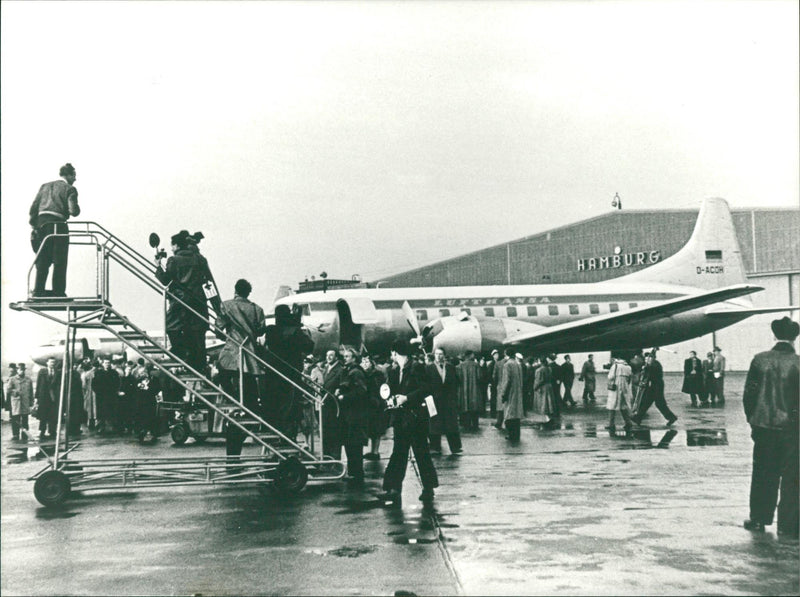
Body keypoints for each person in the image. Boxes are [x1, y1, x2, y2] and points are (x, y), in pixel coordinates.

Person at [742, 317, 799, 537]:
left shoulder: (759, 361)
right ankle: (789, 524)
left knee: (763, 473)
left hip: (763, 427)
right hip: (792, 430)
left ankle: (759, 519)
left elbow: (749, 394)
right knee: (792, 477)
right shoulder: (798, 363)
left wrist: (753, 420)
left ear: (774, 335)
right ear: (795, 338)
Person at [381, 339, 438, 505]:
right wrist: (391, 399)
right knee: (399, 453)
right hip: (400, 418)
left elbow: (426, 389)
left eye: (392, 353)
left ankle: (428, 488)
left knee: (421, 453)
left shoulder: (416, 368)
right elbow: (391, 390)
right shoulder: (395, 371)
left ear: (395, 353)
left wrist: (407, 398)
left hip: (416, 418)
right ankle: (393, 489)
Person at [155, 230, 214, 373]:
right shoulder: (200, 259)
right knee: (198, 337)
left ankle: (180, 352)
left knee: (172, 327)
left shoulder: (173, 260)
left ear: (176, 246)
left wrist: (158, 266)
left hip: (179, 302)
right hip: (199, 303)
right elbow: (209, 283)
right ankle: (199, 369)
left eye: (172, 246)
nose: (171, 248)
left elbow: (166, 281)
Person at [216, 279, 268, 413]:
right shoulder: (257, 309)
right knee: (248, 379)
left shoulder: (226, 305)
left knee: (222, 371)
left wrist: (225, 334)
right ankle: (251, 408)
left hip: (232, 349)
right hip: (250, 350)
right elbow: (261, 330)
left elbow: (218, 328)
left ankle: (232, 397)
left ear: (235, 290)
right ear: (248, 293)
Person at [263, 304, 314, 440]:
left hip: (273, 374)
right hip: (291, 373)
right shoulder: (295, 331)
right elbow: (309, 346)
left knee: (275, 408)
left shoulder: (271, 331)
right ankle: (289, 437)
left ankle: (274, 439)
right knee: (291, 407)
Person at [29, 163, 80, 297]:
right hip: (58, 225)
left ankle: (38, 291)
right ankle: (58, 291)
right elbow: (73, 211)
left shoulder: (44, 186)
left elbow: (33, 208)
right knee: (60, 260)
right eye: (74, 175)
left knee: (42, 259)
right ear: (69, 175)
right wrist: (77, 209)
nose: (75, 178)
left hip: (41, 224)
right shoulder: (70, 189)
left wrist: (34, 226)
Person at [336, 347, 370, 485]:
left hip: (356, 414)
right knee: (351, 444)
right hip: (351, 414)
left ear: (355, 358)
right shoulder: (349, 371)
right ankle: (354, 473)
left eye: (348, 356)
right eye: (344, 356)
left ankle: (356, 474)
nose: (345, 358)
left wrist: (344, 396)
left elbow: (361, 392)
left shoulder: (356, 372)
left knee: (354, 445)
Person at [427, 347, 462, 455]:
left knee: (451, 423)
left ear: (444, 355)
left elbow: (456, 382)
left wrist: (454, 398)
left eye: (441, 354)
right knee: (434, 424)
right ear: (434, 355)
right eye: (437, 354)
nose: (439, 356)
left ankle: (455, 447)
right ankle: (435, 447)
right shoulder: (429, 368)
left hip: (448, 400)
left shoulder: (451, 367)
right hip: (434, 399)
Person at [632, 352, 677, 426]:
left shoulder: (656, 364)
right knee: (647, 402)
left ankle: (671, 417)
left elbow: (653, 370)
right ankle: (638, 418)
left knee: (659, 403)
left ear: (653, 358)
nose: (647, 360)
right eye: (646, 358)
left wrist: (646, 367)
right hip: (652, 386)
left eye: (648, 358)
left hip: (657, 386)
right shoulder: (649, 365)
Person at [361, 354, 388, 460]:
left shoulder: (378, 374)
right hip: (366, 405)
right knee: (368, 429)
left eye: (367, 362)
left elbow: (381, 388)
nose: (364, 364)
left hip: (376, 405)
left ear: (372, 363)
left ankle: (375, 451)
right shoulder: (361, 373)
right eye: (363, 362)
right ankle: (371, 451)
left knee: (376, 429)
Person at [320, 349, 345, 459]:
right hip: (325, 404)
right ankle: (326, 456)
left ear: (336, 357)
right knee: (326, 431)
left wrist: (339, 390)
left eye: (331, 355)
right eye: (327, 355)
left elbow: (342, 384)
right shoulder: (326, 369)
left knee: (334, 432)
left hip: (334, 405)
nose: (328, 357)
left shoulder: (340, 370)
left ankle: (335, 457)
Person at [498, 351, 524, 442]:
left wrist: (503, 394)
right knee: (516, 416)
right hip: (517, 393)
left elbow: (506, 381)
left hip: (510, 393)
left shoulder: (507, 365)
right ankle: (517, 435)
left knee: (509, 415)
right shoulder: (518, 364)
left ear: (506, 354)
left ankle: (511, 435)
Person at [605, 351, 634, 432]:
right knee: (623, 405)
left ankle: (611, 424)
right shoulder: (628, 366)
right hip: (624, 387)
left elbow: (610, 377)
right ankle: (628, 422)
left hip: (616, 387)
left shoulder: (615, 366)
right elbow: (629, 378)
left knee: (612, 405)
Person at [93, 356, 121, 435]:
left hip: (111, 395)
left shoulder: (114, 373)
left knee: (112, 411)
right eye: (105, 363)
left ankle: (112, 427)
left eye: (108, 363)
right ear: (102, 364)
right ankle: (101, 427)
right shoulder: (98, 373)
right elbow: (94, 384)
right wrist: (98, 391)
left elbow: (118, 383)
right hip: (101, 396)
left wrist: (115, 391)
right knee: (101, 412)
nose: (107, 364)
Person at [34, 357, 61, 439]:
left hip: (54, 396)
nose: (52, 364)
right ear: (47, 363)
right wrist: (36, 397)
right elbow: (38, 384)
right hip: (44, 396)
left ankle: (52, 431)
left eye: (54, 362)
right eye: (51, 362)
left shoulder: (58, 372)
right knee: (43, 415)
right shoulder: (42, 371)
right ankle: (42, 431)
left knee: (53, 414)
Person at [456, 350, 483, 431]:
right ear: (470, 355)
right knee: (474, 409)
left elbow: (458, 379)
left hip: (464, 391)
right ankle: (475, 425)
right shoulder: (476, 365)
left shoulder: (459, 366)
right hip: (475, 391)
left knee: (465, 408)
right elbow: (480, 377)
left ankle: (466, 425)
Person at [6, 364, 33, 441]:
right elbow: (8, 390)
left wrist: (31, 401)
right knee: (15, 419)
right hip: (16, 402)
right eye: (20, 370)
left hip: (25, 402)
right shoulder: (12, 379)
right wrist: (15, 392)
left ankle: (25, 434)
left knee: (25, 419)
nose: (22, 371)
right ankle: (15, 434)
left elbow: (31, 392)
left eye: (23, 370)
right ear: (17, 370)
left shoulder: (28, 380)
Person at [531, 355, 556, 428]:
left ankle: (547, 419)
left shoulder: (539, 370)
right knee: (549, 404)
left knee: (543, 404)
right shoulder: (549, 368)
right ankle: (549, 418)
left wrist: (535, 387)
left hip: (542, 388)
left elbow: (538, 381)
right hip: (549, 387)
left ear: (540, 362)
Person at [80, 359, 97, 431]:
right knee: (94, 407)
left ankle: (89, 421)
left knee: (89, 408)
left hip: (88, 392)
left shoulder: (84, 374)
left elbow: (83, 385)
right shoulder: (93, 373)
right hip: (94, 392)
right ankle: (95, 421)